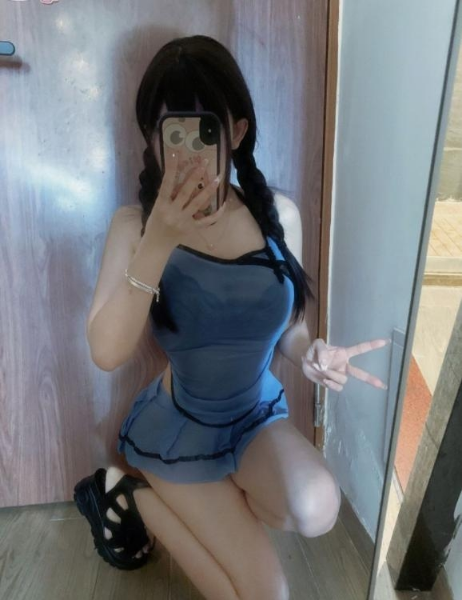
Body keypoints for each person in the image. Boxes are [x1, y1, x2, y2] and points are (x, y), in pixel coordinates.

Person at [74, 34, 389, 599]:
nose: (188, 150)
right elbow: (105, 351)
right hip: (180, 425)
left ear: (236, 132)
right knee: (268, 595)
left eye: (206, 131)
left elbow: (290, 327)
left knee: (318, 507)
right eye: (171, 132)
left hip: (254, 418)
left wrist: (312, 353)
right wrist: (158, 240)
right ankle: (132, 495)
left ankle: (189, 496)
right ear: (150, 136)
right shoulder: (132, 226)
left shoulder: (278, 215)